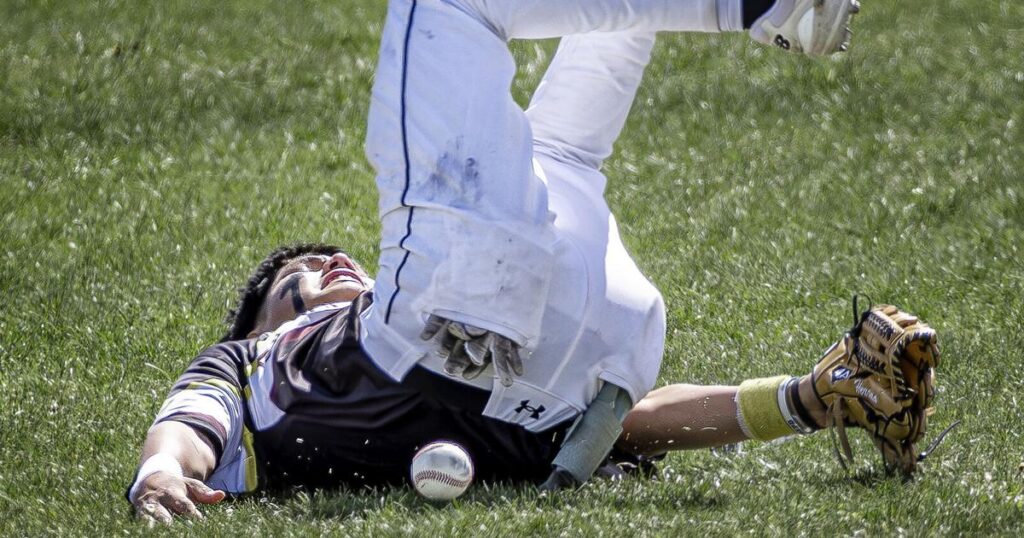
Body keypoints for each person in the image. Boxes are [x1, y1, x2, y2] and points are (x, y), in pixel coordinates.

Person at [128, 0, 873, 524]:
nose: (333, 267)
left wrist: (803, 401)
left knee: (615, 34)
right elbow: (188, 424)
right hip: (469, 323)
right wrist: (160, 472)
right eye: (299, 285)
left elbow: (630, 425)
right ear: (262, 332)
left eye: (332, 257)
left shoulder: (377, 310)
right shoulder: (246, 364)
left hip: (588, 348)